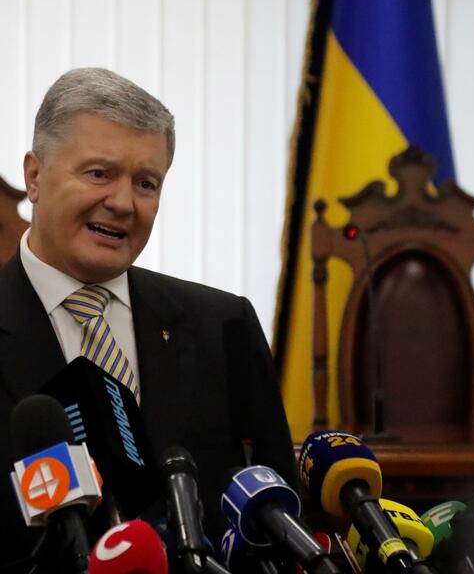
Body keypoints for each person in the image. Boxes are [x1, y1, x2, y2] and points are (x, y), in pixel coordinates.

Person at [0, 68, 298, 568]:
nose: (122, 203)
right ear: (35, 176)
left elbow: (280, 523)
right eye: (99, 173)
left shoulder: (225, 326)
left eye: (146, 183)